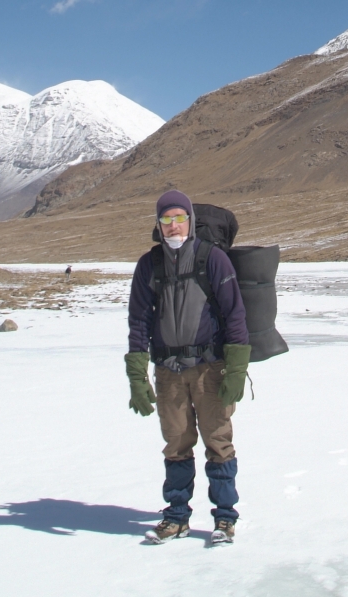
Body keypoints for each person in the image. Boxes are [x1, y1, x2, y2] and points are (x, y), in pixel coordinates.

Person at [124, 190, 251, 545]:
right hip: (168, 372)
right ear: (158, 225)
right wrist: (138, 375)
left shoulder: (213, 259)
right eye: (166, 219)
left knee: (218, 442)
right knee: (176, 444)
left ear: (191, 220)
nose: (174, 226)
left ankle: (225, 517)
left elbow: (234, 315)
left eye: (180, 218)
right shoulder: (149, 265)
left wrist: (237, 369)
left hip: (210, 368)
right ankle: (176, 515)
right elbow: (138, 321)